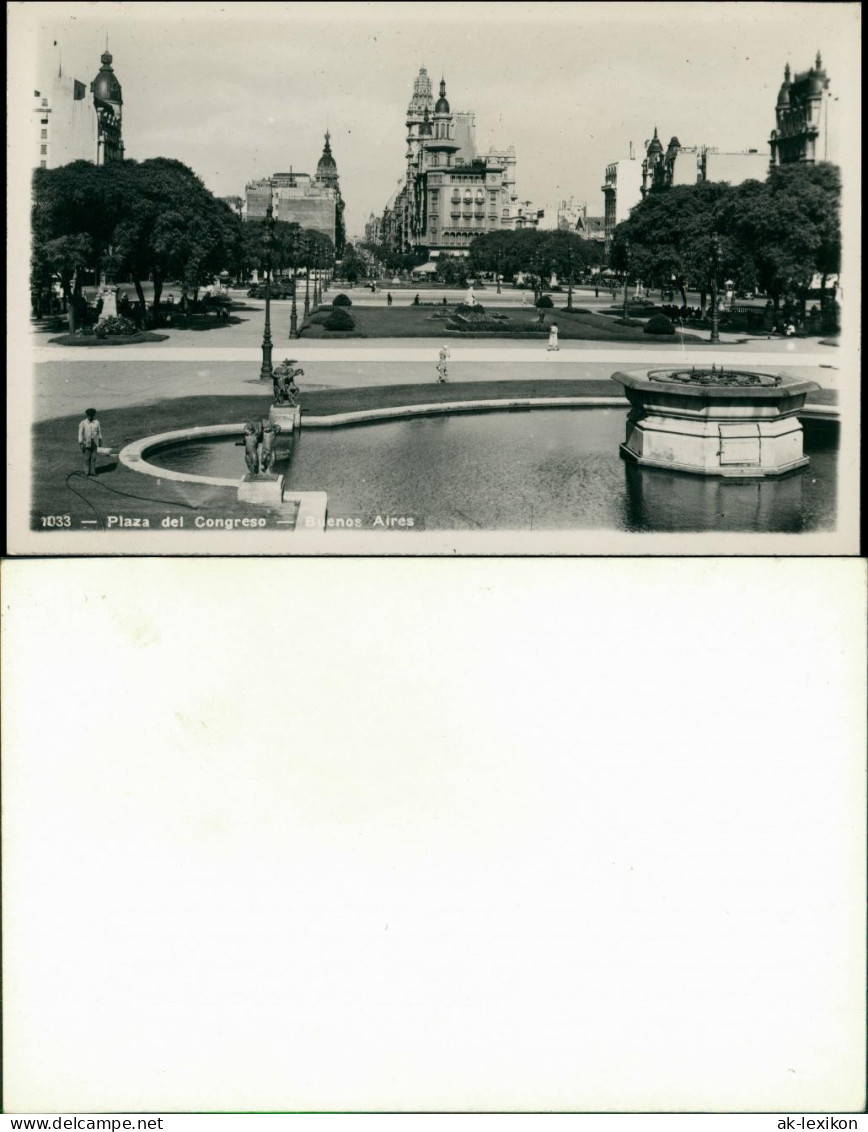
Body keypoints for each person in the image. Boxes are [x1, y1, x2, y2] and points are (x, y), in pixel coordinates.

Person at [78, 408, 102, 477]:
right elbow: (80, 434)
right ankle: (86, 472)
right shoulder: (83, 423)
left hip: (95, 443)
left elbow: (99, 432)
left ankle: (93, 472)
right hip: (86, 443)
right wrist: (81, 443)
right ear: (87, 415)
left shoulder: (97, 422)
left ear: (94, 415)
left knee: (93, 458)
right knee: (87, 458)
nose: (90, 417)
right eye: (89, 415)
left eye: (92, 415)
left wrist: (100, 440)